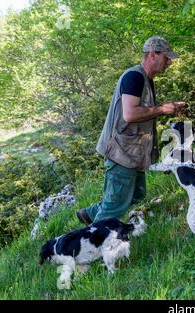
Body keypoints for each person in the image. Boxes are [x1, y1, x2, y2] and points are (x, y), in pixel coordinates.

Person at [76, 36, 186, 225]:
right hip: (121, 153)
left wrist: (169, 107)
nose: (170, 61)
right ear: (152, 54)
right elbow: (129, 114)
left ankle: (90, 213)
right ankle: (89, 247)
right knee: (113, 209)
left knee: (136, 195)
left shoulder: (146, 79)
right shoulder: (134, 77)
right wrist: (162, 109)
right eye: (166, 57)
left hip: (132, 153)